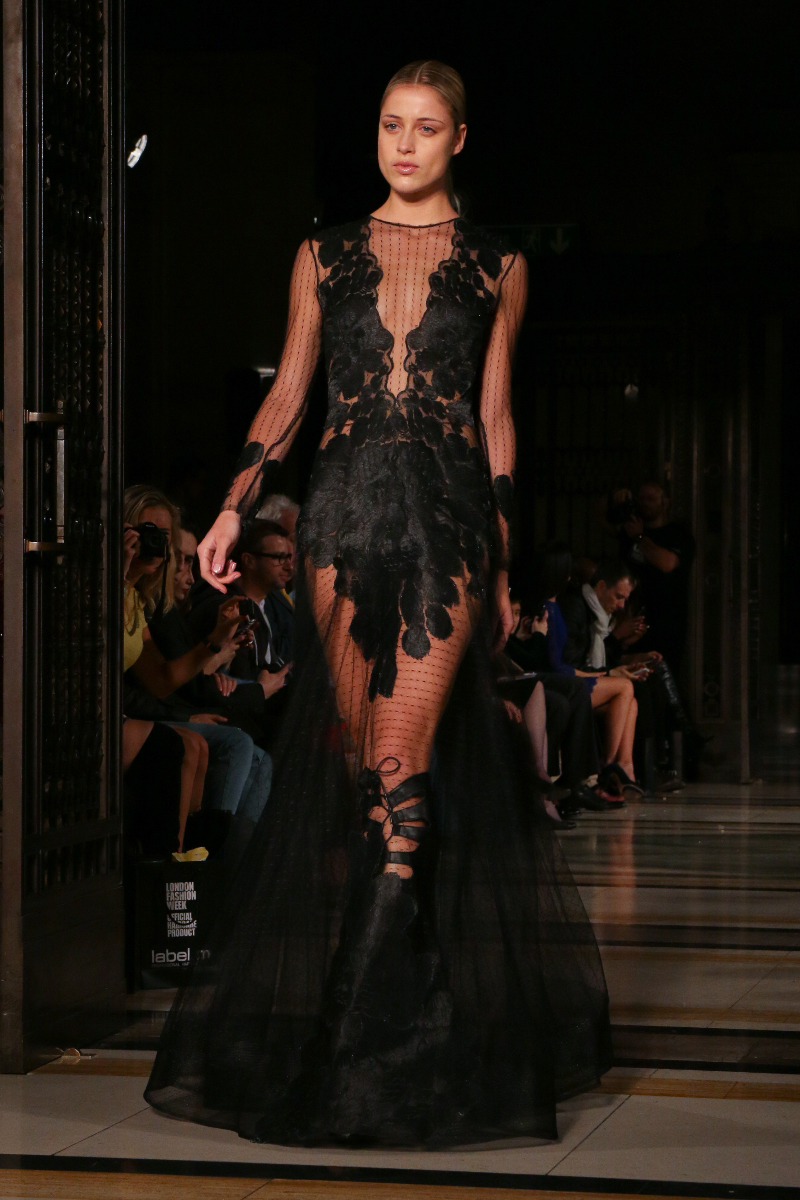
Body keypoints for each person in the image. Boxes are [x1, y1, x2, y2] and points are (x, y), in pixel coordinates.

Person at [146, 60, 611, 1147]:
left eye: (425, 127)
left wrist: (502, 563)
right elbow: (290, 390)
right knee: (371, 779)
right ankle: (407, 1020)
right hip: (340, 523)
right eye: (391, 125)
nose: (404, 144)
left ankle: (364, 1053)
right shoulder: (323, 253)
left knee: (401, 765)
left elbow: (495, 419)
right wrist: (230, 510)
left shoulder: (497, 262)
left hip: (448, 527)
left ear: (459, 138)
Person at [610, 481, 696, 669]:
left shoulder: (677, 534)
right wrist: (616, 497)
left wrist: (639, 537)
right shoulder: (629, 529)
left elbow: (668, 563)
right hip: (633, 616)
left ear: (665, 502)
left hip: (666, 621)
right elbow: (601, 518)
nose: (645, 503)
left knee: (662, 671)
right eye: (641, 499)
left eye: (651, 498)